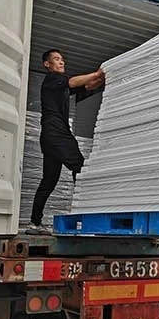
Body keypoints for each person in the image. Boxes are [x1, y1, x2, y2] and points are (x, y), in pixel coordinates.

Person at [28, 49, 104, 231]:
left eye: (62, 59)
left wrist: (103, 77)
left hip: (49, 137)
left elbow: (88, 86)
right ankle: (84, 213)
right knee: (80, 168)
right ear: (47, 64)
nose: (61, 62)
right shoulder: (52, 79)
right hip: (58, 134)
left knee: (49, 181)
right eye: (56, 59)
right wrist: (97, 73)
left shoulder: (59, 86)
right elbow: (74, 81)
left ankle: (34, 222)